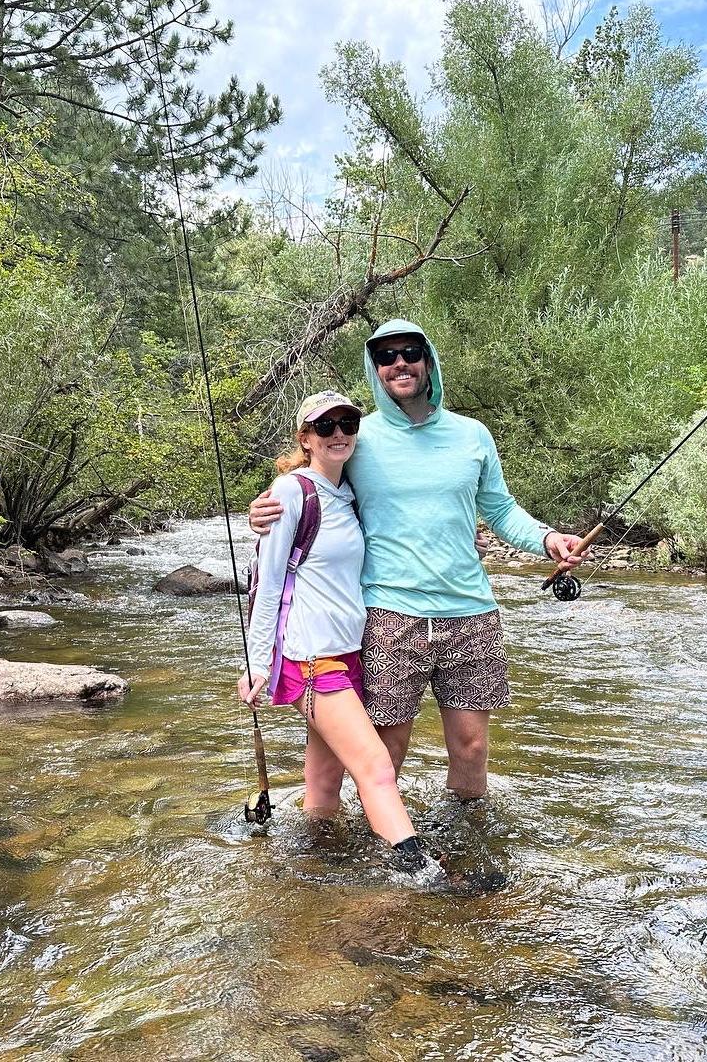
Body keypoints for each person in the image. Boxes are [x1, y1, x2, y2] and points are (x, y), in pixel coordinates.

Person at [250, 320, 587, 801]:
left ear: (428, 361)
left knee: (471, 749)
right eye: (386, 357)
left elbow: (501, 509)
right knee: (389, 750)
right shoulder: (356, 436)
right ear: (375, 369)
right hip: (388, 615)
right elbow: (314, 489)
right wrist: (262, 513)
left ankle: (467, 854)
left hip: (471, 613)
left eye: (410, 352)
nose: (399, 362)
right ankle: (382, 862)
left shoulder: (473, 436)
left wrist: (549, 539)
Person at [238, 389, 439, 877]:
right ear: (305, 438)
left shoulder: (348, 495)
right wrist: (256, 663)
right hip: (310, 658)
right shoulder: (291, 492)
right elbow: (268, 582)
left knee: (324, 785)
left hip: (348, 654)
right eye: (325, 427)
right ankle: (422, 874)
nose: (339, 434)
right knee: (375, 768)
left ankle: (313, 864)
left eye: (347, 424)